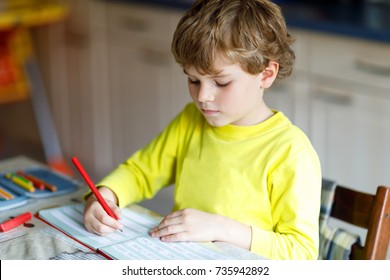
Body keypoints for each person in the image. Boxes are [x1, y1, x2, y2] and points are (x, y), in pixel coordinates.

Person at [83, 0, 321, 260]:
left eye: (221, 82)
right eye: (193, 80)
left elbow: (302, 253)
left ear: (265, 75)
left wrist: (222, 228)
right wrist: (105, 196)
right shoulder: (191, 120)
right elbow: (140, 172)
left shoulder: (290, 151)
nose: (203, 96)